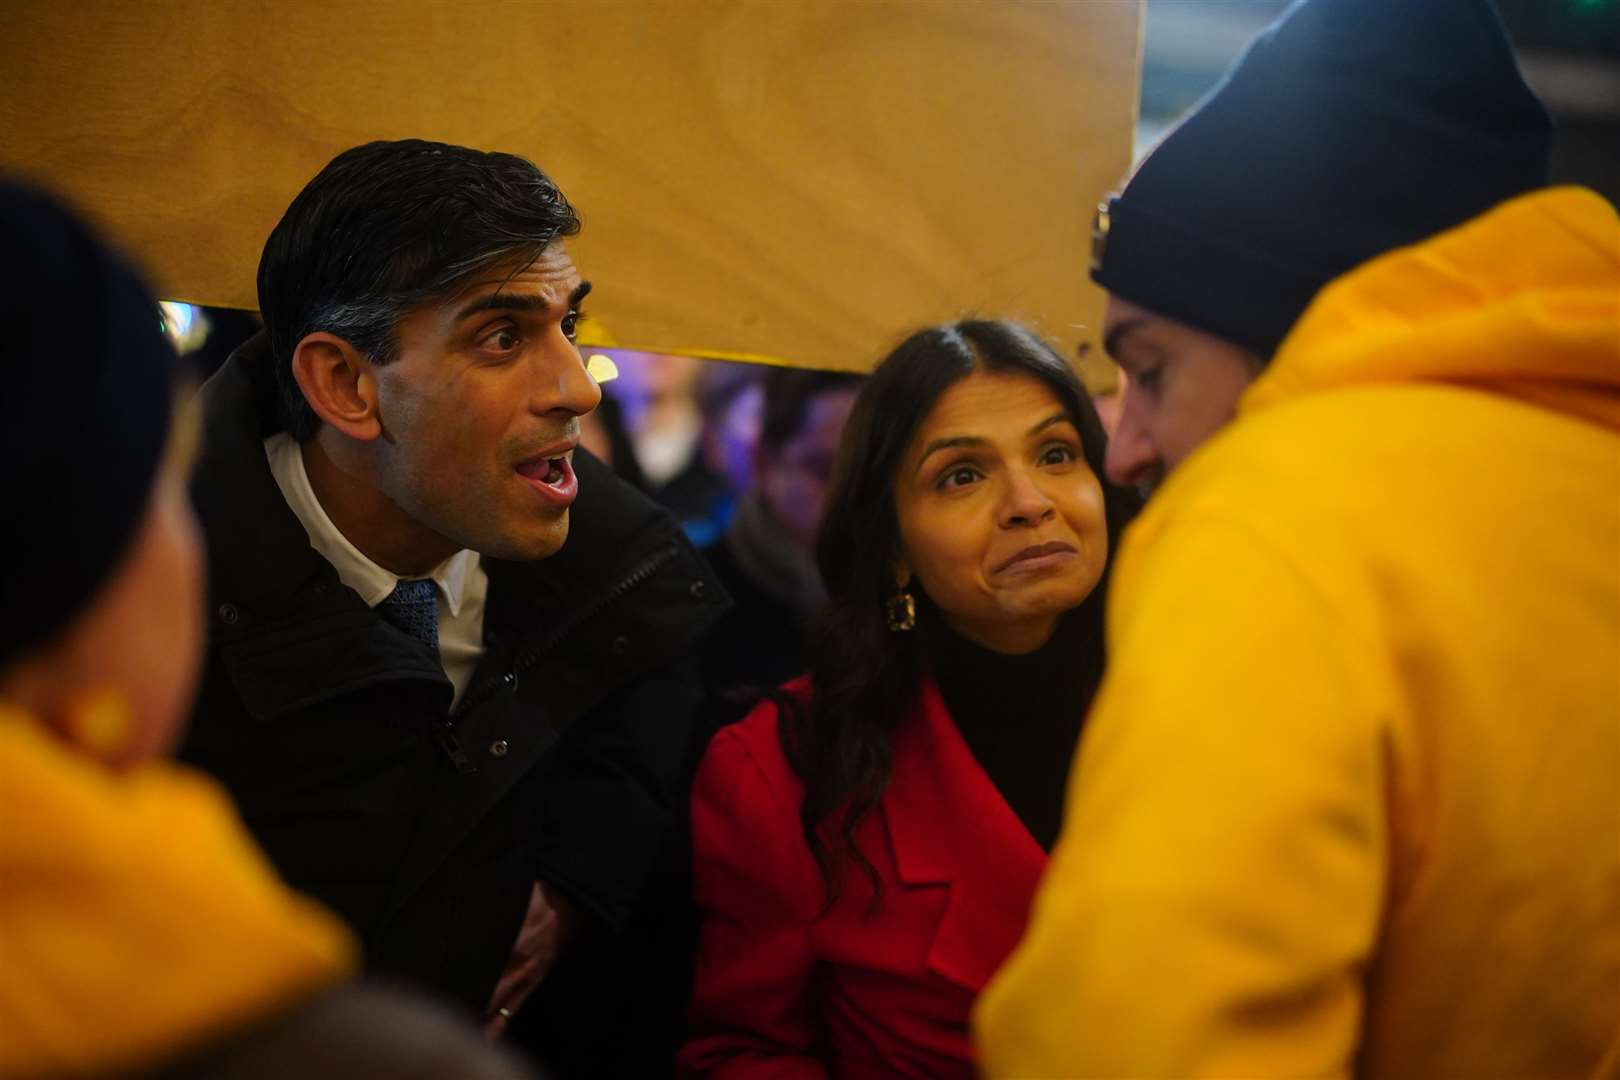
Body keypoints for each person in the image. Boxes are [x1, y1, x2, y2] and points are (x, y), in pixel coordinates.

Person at [974, 0, 1620, 1075]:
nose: (1123, 446)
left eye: (1156, 370)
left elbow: (1140, 1037)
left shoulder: (1278, 510)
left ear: (1286, 321)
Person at [178, 140, 729, 1077]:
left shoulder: (629, 567)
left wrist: (572, 877)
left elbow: (641, 700)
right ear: (347, 385)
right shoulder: (149, 604)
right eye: (502, 337)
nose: (574, 387)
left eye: (569, 322)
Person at [679, 321, 1137, 1078]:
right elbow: (743, 1055)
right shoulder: (784, 769)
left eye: (1057, 454)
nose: (1029, 502)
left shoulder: (1208, 704)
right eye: (961, 475)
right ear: (891, 543)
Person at [698, 368, 863, 724]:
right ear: (764, 463)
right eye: (824, 469)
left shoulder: (899, 592)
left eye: (867, 473)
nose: (850, 497)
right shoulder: (696, 598)